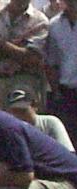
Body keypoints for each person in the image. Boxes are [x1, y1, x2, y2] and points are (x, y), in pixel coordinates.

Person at [0, 0, 49, 108]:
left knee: (24, 122)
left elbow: (32, 58)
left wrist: (2, 45)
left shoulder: (40, 21)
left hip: (25, 81)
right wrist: (18, 48)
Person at [5, 86, 74, 152]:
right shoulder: (10, 130)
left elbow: (67, 152)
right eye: (15, 111)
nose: (19, 115)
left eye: (23, 111)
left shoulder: (50, 123)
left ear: (35, 106)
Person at [46, 0, 77, 146]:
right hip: (67, 93)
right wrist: (56, 92)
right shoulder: (54, 25)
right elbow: (52, 62)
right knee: (70, 140)